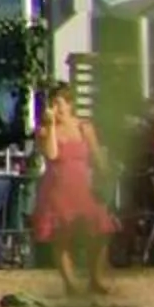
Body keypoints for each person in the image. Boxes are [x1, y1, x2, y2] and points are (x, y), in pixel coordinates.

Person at [23, 83, 115, 295]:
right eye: (52, 104)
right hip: (57, 188)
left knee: (100, 230)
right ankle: (70, 283)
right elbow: (52, 154)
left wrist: (105, 174)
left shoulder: (84, 127)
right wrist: (50, 126)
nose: (56, 108)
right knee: (61, 237)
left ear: (70, 104)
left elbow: (97, 156)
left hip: (84, 187)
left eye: (59, 103)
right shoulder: (45, 130)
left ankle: (95, 277)